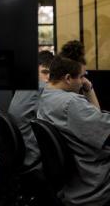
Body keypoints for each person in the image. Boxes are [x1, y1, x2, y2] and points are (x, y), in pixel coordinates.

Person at [38, 55, 110, 205]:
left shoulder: (46, 96)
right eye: (82, 77)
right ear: (68, 78)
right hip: (93, 181)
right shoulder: (71, 103)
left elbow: (95, 119)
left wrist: (88, 89)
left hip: (72, 183)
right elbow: (106, 130)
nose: (84, 81)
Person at [8, 50, 54, 167]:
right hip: (35, 160)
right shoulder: (41, 88)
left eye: (51, 74)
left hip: (19, 157)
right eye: (45, 72)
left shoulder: (23, 86)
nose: (48, 78)